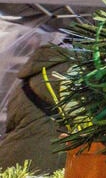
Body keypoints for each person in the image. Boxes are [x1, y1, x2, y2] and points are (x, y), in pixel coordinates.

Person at [0, 43, 69, 173]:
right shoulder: (79, 72)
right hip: (50, 163)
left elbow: (13, 120)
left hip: (10, 160)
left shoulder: (31, 75)